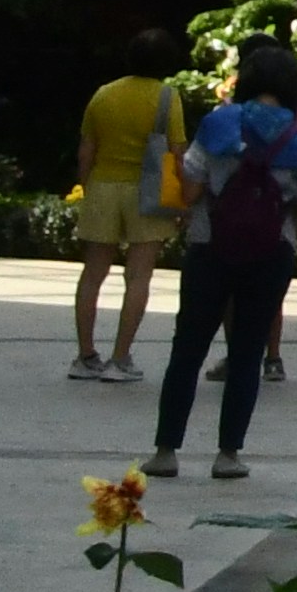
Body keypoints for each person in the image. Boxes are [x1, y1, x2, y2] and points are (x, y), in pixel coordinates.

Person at [144, 39, 297, 485]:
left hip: (210, 247)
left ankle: (166, 450)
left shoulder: (219, 124)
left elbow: (189, 190)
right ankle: (228, 455)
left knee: (187, 348)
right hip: (271, 256)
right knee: (247, 352)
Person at [67, 29, 185, 382]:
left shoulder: (104, 94)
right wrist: (183, 199)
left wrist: (85, 186)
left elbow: (86, 149)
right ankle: (120, 359)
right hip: (146, 190)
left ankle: (86, 355)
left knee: (93, 273)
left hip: (103, 185)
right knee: (138, 275)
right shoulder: (167, 97)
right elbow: (177, 153)